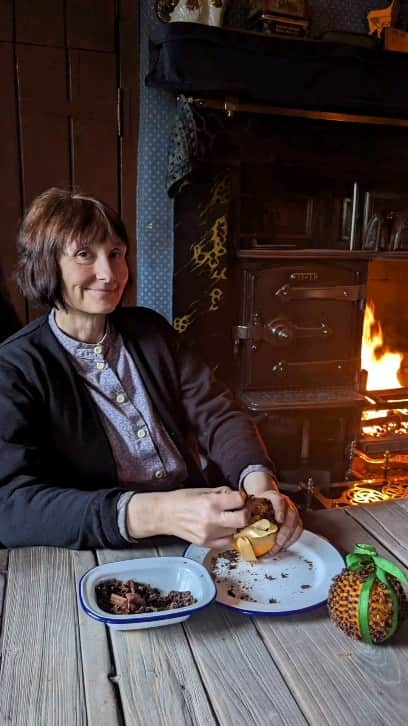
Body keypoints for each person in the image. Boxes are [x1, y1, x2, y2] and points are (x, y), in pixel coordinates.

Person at [0, 188, 303, 550]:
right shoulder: (14, 367)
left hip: (204, 532)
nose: (109, 273)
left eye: (116, 254)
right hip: (98, 550)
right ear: (46, 264)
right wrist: (157, 513)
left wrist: (259, 484)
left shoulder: (151, 331)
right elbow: (10, 506)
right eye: (84, 254)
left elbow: (217, 413)